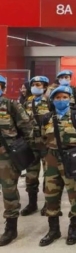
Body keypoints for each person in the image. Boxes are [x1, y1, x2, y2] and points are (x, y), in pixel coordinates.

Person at [39, 85, 76, 246]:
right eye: (57, 98)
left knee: (75, 195)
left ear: (70, 99)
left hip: (72, 160)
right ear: (53, 100)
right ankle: (53, 230)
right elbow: (42, 140)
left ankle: (73, 228)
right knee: (51, 196)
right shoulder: (46, 117)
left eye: (64, 97)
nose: (61, 100)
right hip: (51, 162)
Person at [0, 75, 34, 246]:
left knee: (9, 191)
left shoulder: (10, 105)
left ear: (3, 88)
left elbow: (27, 127)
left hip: (5, 158)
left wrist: (19, 149)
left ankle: (11, 228)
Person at [20, 76, 50, 217]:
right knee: (31, 175)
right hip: (30, 144)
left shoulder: (50, 102)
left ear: (44, 87)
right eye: (33, 84)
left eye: (39, 84)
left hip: (45, 144)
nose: (35, 87)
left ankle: (48, 203)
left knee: (48, 174)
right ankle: (32, 203)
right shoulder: (27, 102)